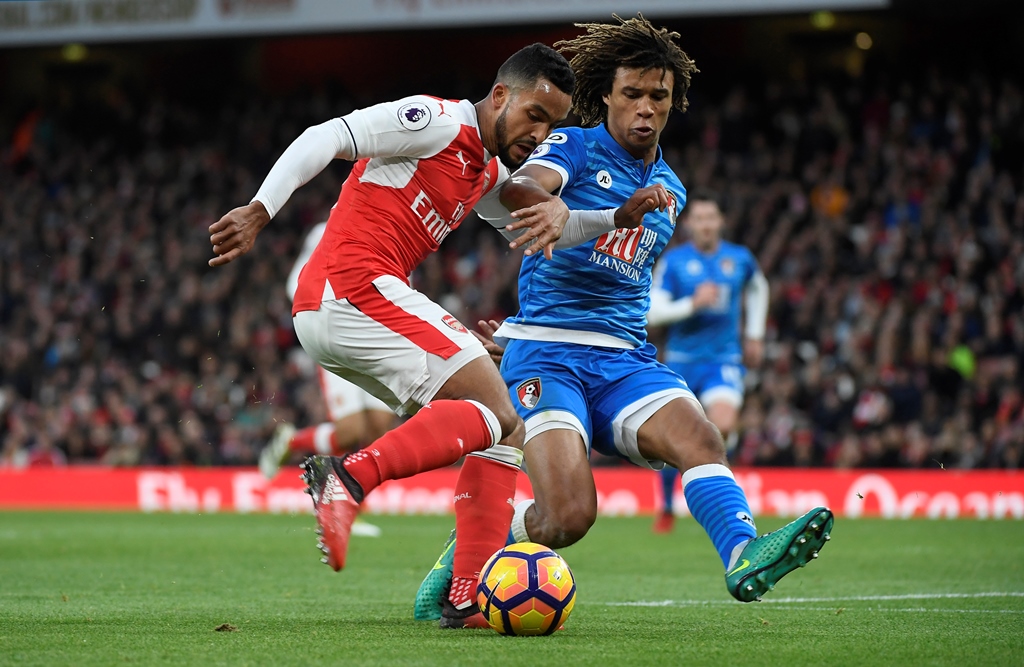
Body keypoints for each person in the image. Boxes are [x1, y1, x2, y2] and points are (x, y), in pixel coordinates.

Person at [415, 15, 832, 621]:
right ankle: (464, 559)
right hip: (549, 357)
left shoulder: (670, 189)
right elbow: (523, 187)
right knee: (567, 517)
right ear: (607, 95)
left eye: (657, 97)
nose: (644, 108)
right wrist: (555, 211)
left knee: (701, 438)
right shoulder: (574, 146)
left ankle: (744, 553)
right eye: (631, 93)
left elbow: (626, 283)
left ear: (673, 104)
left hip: (622, 357)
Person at [209, 44, 583, 629]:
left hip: (346, 307)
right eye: (536, 114)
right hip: (351, 287)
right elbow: (325, 136)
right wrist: (262, 208)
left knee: (500, 428)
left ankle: (466, 594)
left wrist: (617, 219)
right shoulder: (435, 122)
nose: (541, 132)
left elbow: (530, 215)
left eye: (553, 124)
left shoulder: (486, 169)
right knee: (493, 407)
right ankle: (348, 477)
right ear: (502, 95)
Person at [646, 190, 769, 533]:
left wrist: (755, 334)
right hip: (681, 362)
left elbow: (759, 287)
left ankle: (717, 497)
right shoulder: (675, 263)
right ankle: (668, 506)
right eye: (699, 219)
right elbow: (652, 312)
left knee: (722, 426)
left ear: (721, 222)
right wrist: (692, 305)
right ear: (689, 225)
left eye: (711, 218)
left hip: (723, 360)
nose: (705, 225)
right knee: (675, 438)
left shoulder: (739, 259)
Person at [258, 222, 397, 483]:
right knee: (350, 432)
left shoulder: (393, 226)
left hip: (378, 343)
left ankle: (349, 508)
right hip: (338, 341)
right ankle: (292, 441)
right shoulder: (325, 230)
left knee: (379, 431)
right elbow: (295, 284)